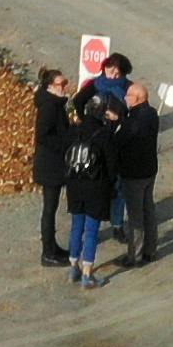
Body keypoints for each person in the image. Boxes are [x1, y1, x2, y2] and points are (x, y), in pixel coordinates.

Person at [58, 83, 120, 288]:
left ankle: (73, 267)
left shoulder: (74, 131)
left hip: (75, 185)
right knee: (91, 230)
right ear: (102, 112)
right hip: (96, 185)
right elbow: (112, 167)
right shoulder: (104, 135)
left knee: (77, 226)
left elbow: (64, 155)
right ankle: (87, 273)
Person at [113, 75, 162, 267]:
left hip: (134, 173)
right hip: (150, 169)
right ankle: (150, 249)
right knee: (148, 209)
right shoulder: (152, 114)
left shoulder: (132, 121)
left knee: (135, 216)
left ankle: (135, 255)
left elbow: (119, 142)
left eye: (129, 96)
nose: (126, 98)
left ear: (138, 98)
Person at [30, 69, 77, 267]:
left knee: (52, 208)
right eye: (61, 84)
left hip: (53, 164)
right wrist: (66, 141)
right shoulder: (49, 107)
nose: (64, 87)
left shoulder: (55, 104)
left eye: (65, 82)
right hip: (50, 166)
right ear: (50, 87)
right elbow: (43, 135)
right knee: (49, 209)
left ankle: (53, 247)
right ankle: (48, 252)